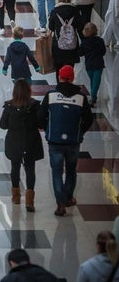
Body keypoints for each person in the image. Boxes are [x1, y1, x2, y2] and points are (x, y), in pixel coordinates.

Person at [37, 65, 93, 216]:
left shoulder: (51, 95)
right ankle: (68, 198)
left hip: (55, 140)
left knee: (56, 172)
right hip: (73, 141)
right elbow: (89, 119)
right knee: (71, 171)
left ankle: (60, 203)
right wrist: (80, 131)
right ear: (73, 78)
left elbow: (40, 117)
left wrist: (46, 128)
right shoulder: (81, 97)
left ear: (59, 77)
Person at [0, 79, 43, 212]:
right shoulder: (35, 106)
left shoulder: (9, 106)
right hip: (31, 141)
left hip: (14, 142)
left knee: (15, 167)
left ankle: (16, 196)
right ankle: (30, 201)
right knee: (30, 169)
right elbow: (41, 123)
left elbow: (3, 125)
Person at [48, 0, 83, 83]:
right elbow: (80, 27)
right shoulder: (75, 11)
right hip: (72, 45)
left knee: (58, 69)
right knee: (69, 69)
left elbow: (50, 27)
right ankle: (69, 85)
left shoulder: (55, 11)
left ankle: (60, 87)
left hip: (58, 45)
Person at [79, 22, 106, 107]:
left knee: (92, 80)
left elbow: (80, 53)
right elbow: (103, 52)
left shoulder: (84, 43)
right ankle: (93, 96)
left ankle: (93, 96)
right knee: (96, 81)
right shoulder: (100, 40)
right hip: (98, 64)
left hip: (89, 64)